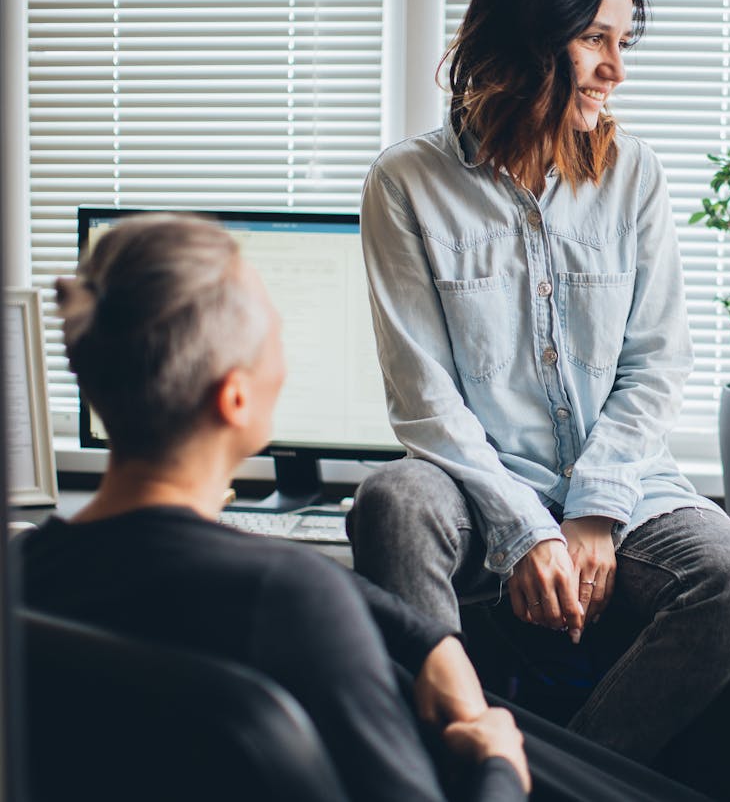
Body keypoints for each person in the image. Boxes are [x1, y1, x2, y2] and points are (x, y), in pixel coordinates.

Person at [351, 0, 730, 763]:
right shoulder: (404, 183)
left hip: (626, 486)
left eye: (624, 43)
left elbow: (656, 361)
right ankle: (437, 764)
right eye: (594, 39)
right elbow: (424, 400)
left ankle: (543, 779)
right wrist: (523, 529)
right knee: (393, 501)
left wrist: (593, 509)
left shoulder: (634, 174)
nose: (616, 68)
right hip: (476, 483)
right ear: (527, 37)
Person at [17, 214, 529, 801]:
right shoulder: (290, 601)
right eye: (276, 337)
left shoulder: (24, 569)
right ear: (234, 398)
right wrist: (499, 764)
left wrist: (425, 638)